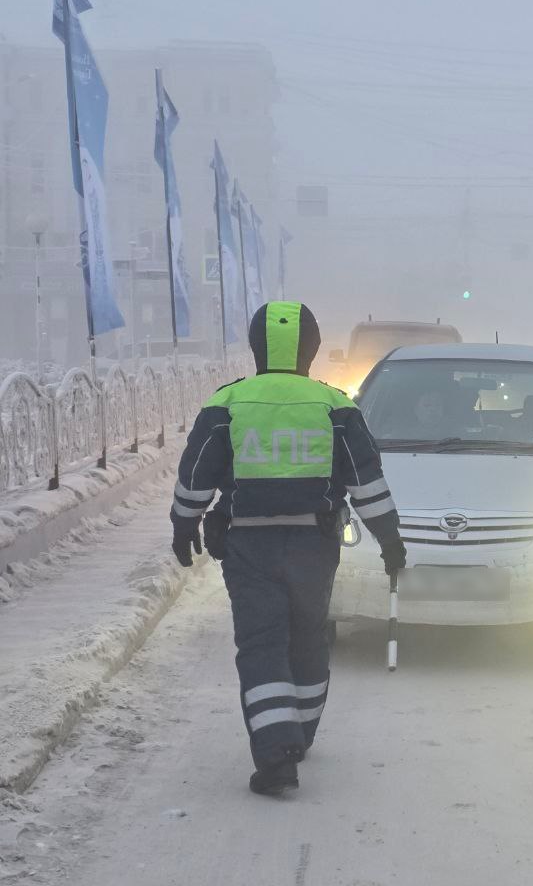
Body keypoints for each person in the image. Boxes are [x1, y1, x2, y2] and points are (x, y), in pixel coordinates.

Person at [169, 301, 407, 795]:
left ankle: (276, 753)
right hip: (313, 545)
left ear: (255, 346)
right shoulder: (335, 405)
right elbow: (366, 483)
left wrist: (183, 524)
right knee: (307, 638)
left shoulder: (228, 402)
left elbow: (196, 474)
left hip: (248, 547)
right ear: (312, 348)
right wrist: (389, 539)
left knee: (261, 645)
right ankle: (299, 732)